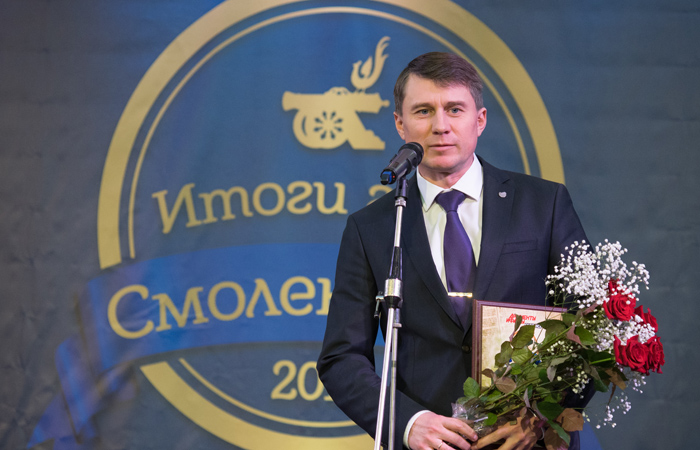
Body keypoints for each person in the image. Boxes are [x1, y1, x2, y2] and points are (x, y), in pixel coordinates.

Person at [317, 52, 588, 450]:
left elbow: (592, 324)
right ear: (400, 124)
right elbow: (341, 357)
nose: (440, 125)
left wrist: (542, 415)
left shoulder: (543, 204)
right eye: (423, 111)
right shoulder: (373, 227)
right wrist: (407, 423)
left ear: (480, 120)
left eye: (454, 109)